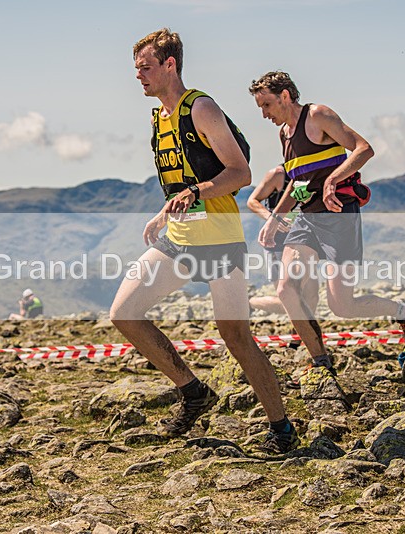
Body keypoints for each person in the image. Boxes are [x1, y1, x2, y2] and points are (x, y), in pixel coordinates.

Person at [110, 29, 299, 454]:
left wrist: (195, 193)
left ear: (169, 65)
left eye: (145, 67)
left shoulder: (202, 107)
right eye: (136, 68)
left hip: (218, 241)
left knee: (235, 336)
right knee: (124, 313)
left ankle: (281, 428)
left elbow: (240, 173)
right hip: (178, 239)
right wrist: (165, 210)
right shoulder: (159, 116)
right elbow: (182, 178)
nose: (138, 75)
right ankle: (193, 391)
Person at [249, 71, 405, 375]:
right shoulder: (284, 135)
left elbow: (363, 148)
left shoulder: (318, 116)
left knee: (342, 306)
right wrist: (275, 218)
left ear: (285, 96)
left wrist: (333, 178)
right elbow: (296, 182)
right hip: (307, 218)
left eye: (266, 105)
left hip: (339, 216)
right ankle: (320, 361)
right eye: (260, 108)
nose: (264, 114)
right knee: (286, 288)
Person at [246, 165, 319, 315]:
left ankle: (299, 338)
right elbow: (252, 201)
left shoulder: (315, 171)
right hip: (277, 242)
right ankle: (250, 303)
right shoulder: (278, 174)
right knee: (289, 298)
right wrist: (274, 219)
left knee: (311, 297)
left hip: (304, 240)